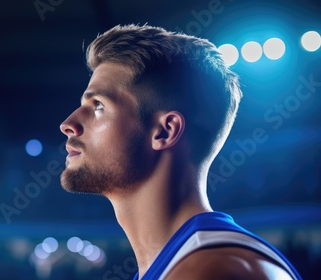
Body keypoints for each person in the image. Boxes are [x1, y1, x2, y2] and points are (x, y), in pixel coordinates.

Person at [59, 24, 301, 280]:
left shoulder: (216, 270)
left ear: (164, 131)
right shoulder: (185, 264)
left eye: (98, 106)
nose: (68, 125)